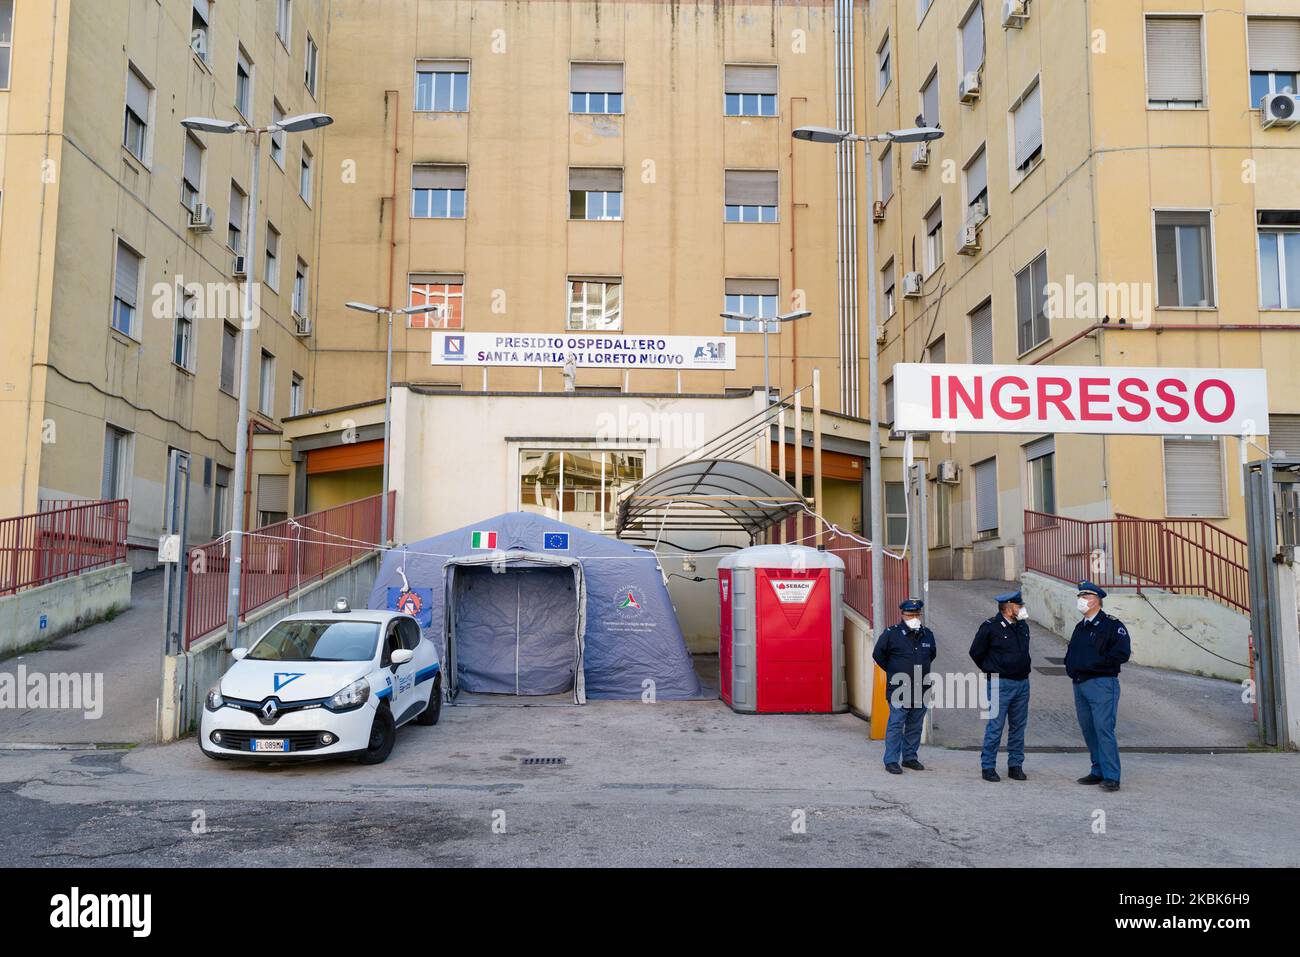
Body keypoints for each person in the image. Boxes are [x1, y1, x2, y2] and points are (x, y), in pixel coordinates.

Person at [1065, 581, 1131, 792]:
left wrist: (1093, 665)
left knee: (1104, 729)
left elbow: (1121, 654)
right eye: (1080, 596)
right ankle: (1098, 770)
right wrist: (1071, 667)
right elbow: (1072, 653)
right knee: (1089, 729)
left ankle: (1112, 776)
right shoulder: (1080, 626)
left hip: (1102, 684)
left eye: (1085, 596)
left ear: (1096, 600)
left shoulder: (1112, 625)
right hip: (1080, 684)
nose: (1081, 600)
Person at [969, 590, 1032, 782]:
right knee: (995, 726)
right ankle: (988, 766)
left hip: (1022, 683)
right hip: (999, 684)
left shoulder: (1022, 626)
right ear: (1008, 607)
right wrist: (991, 669)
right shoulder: (990, 627)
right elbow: (976, 652)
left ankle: (1015, 765)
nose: (1021, 608)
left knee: (1018, 727)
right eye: (1018, 605)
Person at [872, 598, 937, 775]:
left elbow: (931, 655)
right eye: (910, 614)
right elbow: (878, 655)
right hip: (899, 689)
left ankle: (909, 757)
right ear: (902, 615)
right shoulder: (891, 634)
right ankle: (892, 760)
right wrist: (895, 671)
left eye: (917, 614)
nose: (914, 617)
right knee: (896, 724)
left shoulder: (927, 634)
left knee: (915, 725)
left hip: (921, 688)